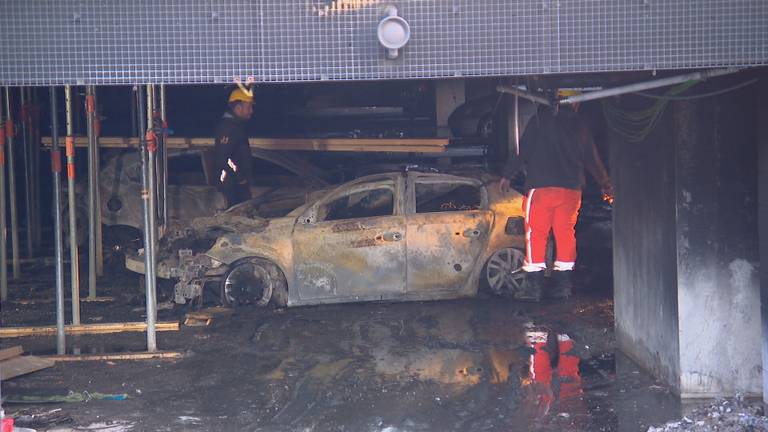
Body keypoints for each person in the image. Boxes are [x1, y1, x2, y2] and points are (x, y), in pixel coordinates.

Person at [499, 101, 612, 301]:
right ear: (574, 103)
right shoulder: (579, 125)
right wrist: (605, 183)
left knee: (536, 235)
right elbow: (591, 158)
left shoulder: (539, 121)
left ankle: (534, 288)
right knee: (565, 234)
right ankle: (563, 286)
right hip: (570, 190)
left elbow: (522, 151)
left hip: (541, 189)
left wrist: (507, 174)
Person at [215, 87, 254, 207]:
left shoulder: (235, 126)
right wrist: (240, 178)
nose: (251, 111)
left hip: (237, 186)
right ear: (238, 108)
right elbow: (222, 159)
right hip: (231, 188)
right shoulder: (229, 128)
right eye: (249, 107)